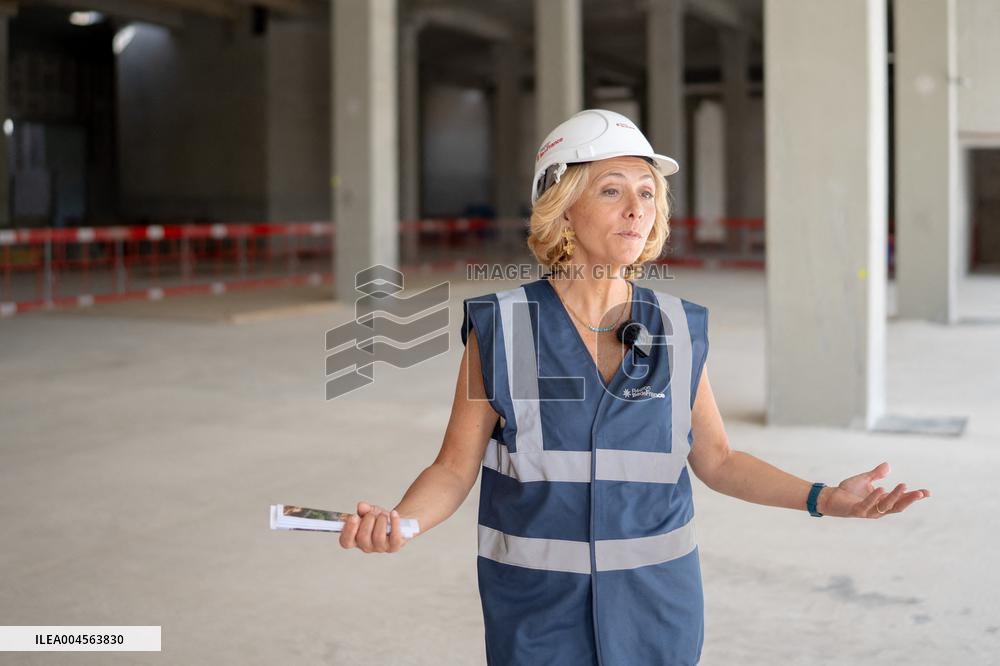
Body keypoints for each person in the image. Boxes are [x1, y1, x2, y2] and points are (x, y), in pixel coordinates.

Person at [338, 109, 932, 665]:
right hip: (538, 618)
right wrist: (402, 521)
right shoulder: (504, 326)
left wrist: (823, 497)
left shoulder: (677, 326)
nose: (637, 209)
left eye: (647, 193)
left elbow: (718, 459)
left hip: (658, 614)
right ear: (563, 208)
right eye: (612, 189)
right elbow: (453, 468)